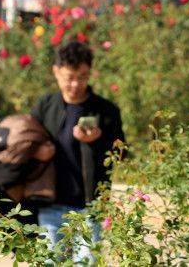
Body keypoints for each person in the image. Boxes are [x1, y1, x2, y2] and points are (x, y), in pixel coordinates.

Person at [31, 40, 124, 262]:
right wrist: (38, 152)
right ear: (56, 72)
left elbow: (121, 154)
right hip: (50, 207)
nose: (75, 84)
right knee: (51, 262)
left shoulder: (106, 111)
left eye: (82, 77)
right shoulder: (45, 106)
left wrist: (98, 141)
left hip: (90, 208)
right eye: (69, 77)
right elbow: (27, 141)